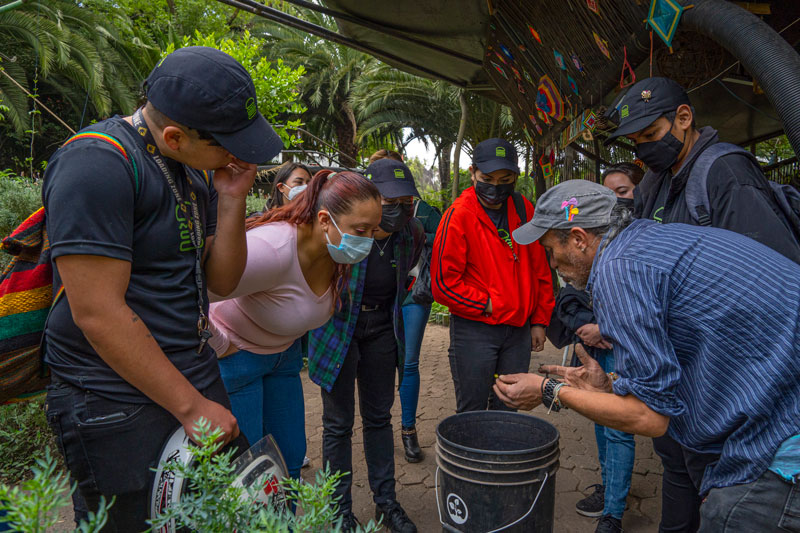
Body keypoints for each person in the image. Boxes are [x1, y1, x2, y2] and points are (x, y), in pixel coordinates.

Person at [41, 46, 283, 530]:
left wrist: (233, 198)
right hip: (115, 397)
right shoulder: (96, 162)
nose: (236, 156)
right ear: (174, 134)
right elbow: (97, 311)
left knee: (217, 518)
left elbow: (220, 281)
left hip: (189, 375)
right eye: (228, 144)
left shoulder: (191, 166)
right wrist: (191, 407)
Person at [497, 179, 800, 533]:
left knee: (727, 517)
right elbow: (660, 378)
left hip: (782, 436)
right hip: (778, 398)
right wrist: (609, 386)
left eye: (551, 249)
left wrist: (549, 391)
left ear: (578, 239)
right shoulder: (645, 241)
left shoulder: (618, 269)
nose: (552, 262)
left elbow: (651, 418)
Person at [604, 76, 800, 533]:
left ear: (684, 118)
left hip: (734, 392)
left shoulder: (726, 173)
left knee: (721, 498)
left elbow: (774, 286)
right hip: (685, 391)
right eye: (636, 144)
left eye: (650, 137)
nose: (643, 152)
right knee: (680, 480)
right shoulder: (653, 183)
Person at [208, 170, 382, 479]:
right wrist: (220, 344)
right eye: (361, 229)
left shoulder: (337, 253)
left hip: (284, 358)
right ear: (325, 220)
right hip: (238, 359)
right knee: (245, 472)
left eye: (373, 230)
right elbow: (188, 294)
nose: (369, 241)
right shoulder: (271, 250)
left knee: (289, 461)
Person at [309, 158, 424, 533]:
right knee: (338, 424)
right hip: (337, 329)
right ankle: (338, 510)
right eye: (390, 203)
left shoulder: (411, 233)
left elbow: (405, 282)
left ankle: (386, 502)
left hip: (381, 331)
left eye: (407, 202)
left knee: (379, 419)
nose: (398, 210)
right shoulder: (344, 231)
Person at [432, 138, 554, 414]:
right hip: (475, 330)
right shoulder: (458, 216)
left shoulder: (523, 209)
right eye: (487, 178)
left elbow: (540, 270)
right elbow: (443, 283)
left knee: (508, 405)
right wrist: (487, 304)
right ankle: (466, 458)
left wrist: (539, 321)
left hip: (518, 332)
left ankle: (501, 457)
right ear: (473, 172)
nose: (496, 186)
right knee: (472, 409)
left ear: (515, 176)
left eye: (505, 179)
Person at [367, 149, 442, 463]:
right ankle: (377, 425)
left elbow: (440, 249)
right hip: (377, 302)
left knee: (408, 362)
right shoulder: (361, 212)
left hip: (411, 295)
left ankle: (408, 429)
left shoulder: (424, 211)